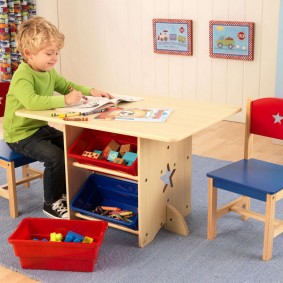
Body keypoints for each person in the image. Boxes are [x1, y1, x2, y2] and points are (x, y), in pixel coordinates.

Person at [3, 16, 111, 219]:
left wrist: (91, 91)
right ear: (28, 53)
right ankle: (51, 202)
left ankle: (71, 189)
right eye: (49, 53)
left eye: (56, 53)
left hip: (39, 129)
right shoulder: (22, 76)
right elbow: (32, 102)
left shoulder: (48, 72)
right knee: (55, 157)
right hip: (20, 134)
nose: (54, 58)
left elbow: (67, 87)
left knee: (74, 144)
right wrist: (65, 101)